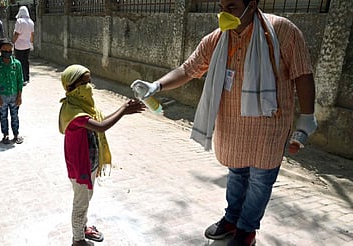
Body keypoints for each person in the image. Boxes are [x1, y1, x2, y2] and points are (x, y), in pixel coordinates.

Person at [130, 0, 317, 245]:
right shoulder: (217, 39)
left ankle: (246, 230)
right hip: (232, 128)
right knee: (237, 174)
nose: (223, 13)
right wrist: (156, 85)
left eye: (231, 7)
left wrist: (306, 119)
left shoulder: (282, 31)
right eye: (221, 6)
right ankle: (231, 219)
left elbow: (302, 74)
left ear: (253, 4)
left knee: (260, 181)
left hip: (269, 128)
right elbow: (188, 70)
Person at [59, 65, 145, 246]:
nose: (88, 87)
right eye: (83, 83)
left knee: (86, 197)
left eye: (89, 82)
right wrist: (123, 110)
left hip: (90, 160)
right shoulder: (72, 110)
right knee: (81, 202)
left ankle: (82, 228)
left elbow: (100, 120)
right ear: (70, 87)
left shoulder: (84, 105)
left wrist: (124, 108)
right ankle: (78, 240)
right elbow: (101, 126)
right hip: (80, 163)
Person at [0, 38, 23, 144]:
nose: (8, 53)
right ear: (0, 50)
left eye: (10, 51)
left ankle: (16, 134)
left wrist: (19, 96)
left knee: (15, 116)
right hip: (2, 96)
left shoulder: (17, 64)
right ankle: (5, 134)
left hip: (14, 95)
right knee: (3, 116)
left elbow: (20, 81)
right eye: (5, 51)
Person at [12, 6, 35, 86]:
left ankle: (21, 78)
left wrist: (12, 43)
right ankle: (27, 78)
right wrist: (31, 43)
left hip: (19, 45)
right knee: (26, 61)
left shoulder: (19, 21)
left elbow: (16, 34)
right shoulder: (31, 22)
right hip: (27, 45)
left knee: (19, 62)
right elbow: (32, 34)